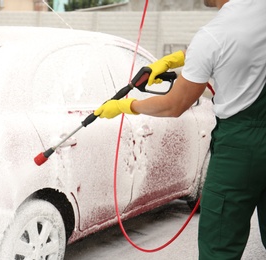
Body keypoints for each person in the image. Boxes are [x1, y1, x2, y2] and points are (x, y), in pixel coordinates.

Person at [94, 0, 266, 259]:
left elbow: (173, 105)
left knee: (220, 246)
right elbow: (243, 43)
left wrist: (125, 105)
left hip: (239, 150)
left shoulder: (213, 35)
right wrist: (181, 58)